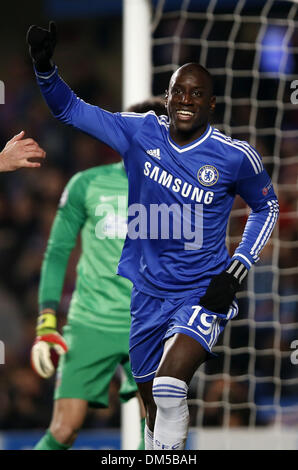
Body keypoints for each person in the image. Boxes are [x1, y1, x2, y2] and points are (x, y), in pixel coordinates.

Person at [27, 22, 279, 450]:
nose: (186, 101)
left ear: (211, 104)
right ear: (167, 97)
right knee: (152, 405)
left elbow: (266, 206)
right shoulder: (140, 132)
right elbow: (70, 109)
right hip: (145, 295)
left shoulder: (235, 157)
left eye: (196, 94)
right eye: (178, 91)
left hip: (202, 292)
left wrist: (237, 269)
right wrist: (46, 68)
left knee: (167, 386)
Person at [31, 97, 166, 451]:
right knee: (63, 428)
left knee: (156, 433)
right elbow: (58, 251)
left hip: (150, 322)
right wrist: (47, 319)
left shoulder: (178, 193)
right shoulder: (86, 184)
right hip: (91, 320)